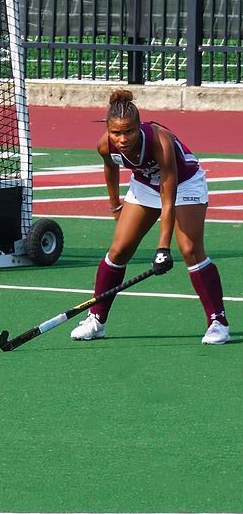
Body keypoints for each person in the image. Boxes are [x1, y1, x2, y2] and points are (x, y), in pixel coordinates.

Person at [70, 89, 229, 345]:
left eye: (129, 131)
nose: (122, 139)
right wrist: (115, 205)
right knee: (119, 250)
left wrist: (162, 247)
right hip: (144, 184)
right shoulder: (105, 144)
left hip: (184, 183)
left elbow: (169, 195)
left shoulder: (159, 140)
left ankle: (218, 322)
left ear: (139, 126)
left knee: (189, 249)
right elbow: (110, 167)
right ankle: (96, 318)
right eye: (116, 133)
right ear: (108, 130)